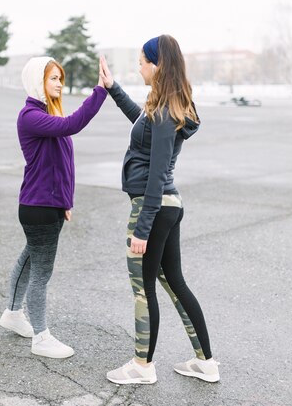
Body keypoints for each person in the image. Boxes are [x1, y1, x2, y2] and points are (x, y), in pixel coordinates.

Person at [99, 35, 220, 383]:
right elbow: (143, 122)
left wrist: (142, 227)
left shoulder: (166, 112)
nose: (139, 67)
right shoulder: (167, 108)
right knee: (173, 282)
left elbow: (155, 173)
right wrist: (113, 88)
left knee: (143, 287)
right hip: (168, 205)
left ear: (157, 64)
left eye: (141, 62)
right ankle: (206, 362)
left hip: (153, 207)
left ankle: (142, 366)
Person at [0, 56, 107, 358]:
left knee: (31, 260)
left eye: (60, 78)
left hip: (46, 204)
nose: (59, 83)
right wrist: (101, 90)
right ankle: (41, 337)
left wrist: (66, 201)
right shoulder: (31, 116)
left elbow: (62, 165)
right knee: (41, 273)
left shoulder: (47, 114)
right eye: (53, 78)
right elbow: (74, 124)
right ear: (38, 81)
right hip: (38, 206)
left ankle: (12, 314)